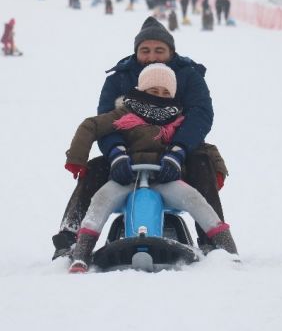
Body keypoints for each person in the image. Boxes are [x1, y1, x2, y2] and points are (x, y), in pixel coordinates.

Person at [52, 16, 228, 259]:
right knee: (94, 170)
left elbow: (200, 115)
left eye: (159, 50)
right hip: (128, 155)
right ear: (136, 52)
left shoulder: (188, 75)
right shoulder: (120, 78)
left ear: (171, 51)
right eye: (145, 50)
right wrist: (115, 153)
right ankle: (69, 239)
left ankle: (213, 243)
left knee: (201, 163)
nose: (152, 56)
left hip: (177, 154)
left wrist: (178, 151)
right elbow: (106, 121)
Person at [64, 63, 238, 273]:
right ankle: (81, 255)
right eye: (153, 91)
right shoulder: (123, 115)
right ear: (141, 90)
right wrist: (77, 158)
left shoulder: (177, 120)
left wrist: (218, 170)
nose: (159, 96)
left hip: (165, 179)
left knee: (195, 200)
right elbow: (90, 126)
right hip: (126, 178)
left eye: (165, 92)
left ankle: (227, 250)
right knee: (100, 201)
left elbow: (204, 146)